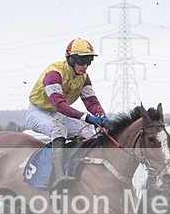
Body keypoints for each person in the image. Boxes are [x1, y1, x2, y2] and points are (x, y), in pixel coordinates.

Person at [26, 38, 111, 189]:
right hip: (38, 112)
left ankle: (75, 167)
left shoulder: (84, 77)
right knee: (60, 131)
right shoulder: (54, 73)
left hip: (55, 113)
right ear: (70, 59)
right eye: (81, 61)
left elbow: (91, 101)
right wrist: (86, 117)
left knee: (87, 132)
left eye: (88, 62)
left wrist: (101, 116)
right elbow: (59, 105)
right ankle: (58, 175)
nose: (85, 66)